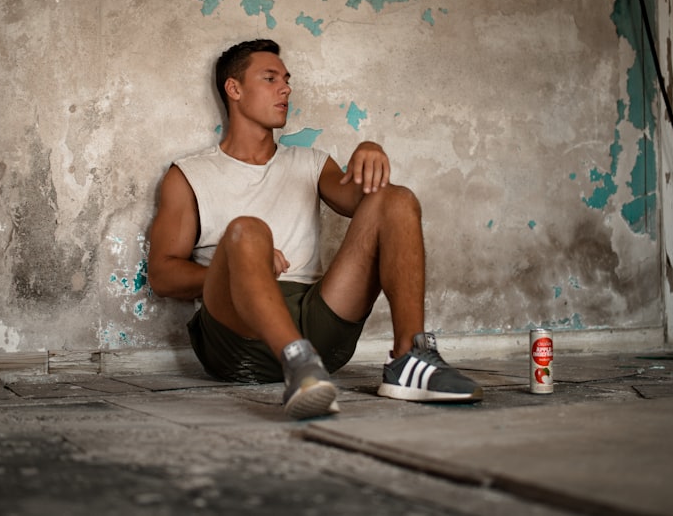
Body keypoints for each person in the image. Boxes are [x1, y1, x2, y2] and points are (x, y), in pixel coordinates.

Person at [147, 39, 482, 419]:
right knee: (247, 231)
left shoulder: (311, 163)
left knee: (397, 198)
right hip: (237, 336)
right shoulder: (189, 174)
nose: (286, 88)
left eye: (286, 80)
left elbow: (368, 203)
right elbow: (162, 275)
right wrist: (244, 268)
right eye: (270, 78)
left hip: (318, 322)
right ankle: (298, 363)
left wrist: (368, 148)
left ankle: (410, 358)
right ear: (235, 89)